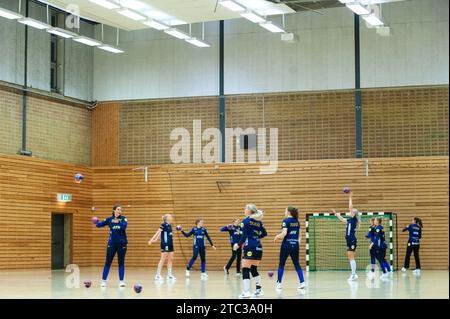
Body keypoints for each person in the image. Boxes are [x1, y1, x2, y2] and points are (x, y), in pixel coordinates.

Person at [234, 204, 267, 298]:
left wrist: (238, 245)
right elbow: (265, 233)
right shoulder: (259, 222)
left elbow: (243, 236)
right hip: (258, 247)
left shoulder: (246, 221)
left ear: (249, 211)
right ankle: (259, 290)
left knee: (245, 268)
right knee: (253, 268)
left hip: (250, 247)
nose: (244, 210)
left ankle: (247, 291)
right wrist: (256, 237)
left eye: (245, 208)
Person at [95, 204, 128, 288]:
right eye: (118, 209)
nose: (120, 211)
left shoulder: (123, 218)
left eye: (120, 209)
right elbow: (99, 225)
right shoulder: (109, 219)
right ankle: (103, 281)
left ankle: (121, 281)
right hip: (112, 243)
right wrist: (96, 221)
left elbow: (124, 227)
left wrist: (118, 221)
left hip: (122, 243)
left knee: (121, 262)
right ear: (114, 210)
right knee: (108, 262)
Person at [274, 206, 306, 290]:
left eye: (285, 211)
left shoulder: (286, 221)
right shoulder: (297, 222)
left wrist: (277, 236)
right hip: (295, 245)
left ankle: (279, 284)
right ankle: (302, 282)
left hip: (286, 245)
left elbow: (284, 233)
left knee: (281, 263)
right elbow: (300, 234)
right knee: (296, 263)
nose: (284, 212)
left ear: (289, 212)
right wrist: (297, 242)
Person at [333, 190, 360, 281]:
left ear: (354, 213)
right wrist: (336, 214)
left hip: (352, 239)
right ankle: (353, 273)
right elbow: (342, 219)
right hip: (349, 239)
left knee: (351, 256)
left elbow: (350, 207)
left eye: (352, 211)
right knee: (349, 257)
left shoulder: (354, 219)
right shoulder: (349, 220)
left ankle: (353, 274)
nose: (351, 211)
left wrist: (350, 197)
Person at [149, 214, 176, 281]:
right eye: (170, 216)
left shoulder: (170, 225)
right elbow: (158, 232)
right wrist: (152, 239)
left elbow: (162, 233)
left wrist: (156, 240)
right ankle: (157, 275)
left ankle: (169, 275)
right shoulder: (163, 224)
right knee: (163, 259)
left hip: (170, 244)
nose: (171, 217)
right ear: (167, 218)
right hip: (165, 244)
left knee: (171, 259)